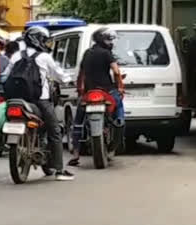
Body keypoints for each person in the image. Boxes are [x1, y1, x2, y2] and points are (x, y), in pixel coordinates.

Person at [7, 26, 75, 181]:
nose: (46, 43)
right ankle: (59, 170)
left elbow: (6, 75)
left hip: (17, 100)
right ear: (37, 40)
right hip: (41, 100)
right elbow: (60, 76)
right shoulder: (44, 57)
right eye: (44, 40)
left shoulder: (16, 55)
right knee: (55, 131)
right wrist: (70, 80)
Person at [68, 27, 126, 167]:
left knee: (78, 122)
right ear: (103, 40)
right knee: (119, 108)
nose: (111, 42)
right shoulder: (107, 54)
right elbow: (116, 71)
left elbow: (81, 74)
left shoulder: (87, 53)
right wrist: (120, 87)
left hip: (89, 93)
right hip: (106, 92)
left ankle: (76, 153)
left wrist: (80, 90)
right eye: (109, 39)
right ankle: (117, 130)